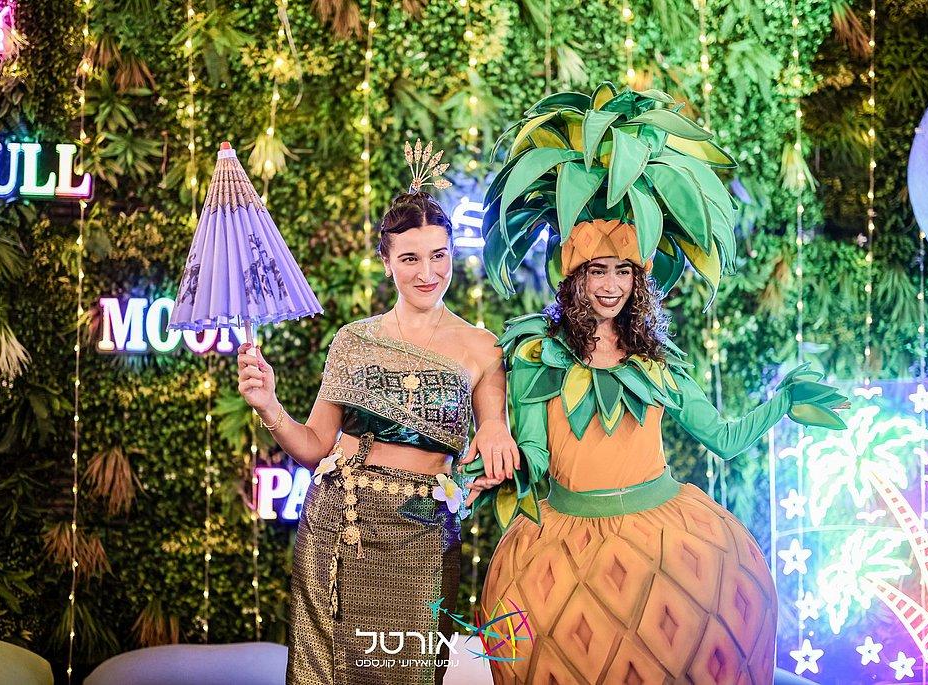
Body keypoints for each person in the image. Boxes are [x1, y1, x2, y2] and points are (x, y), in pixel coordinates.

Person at [465, 84, 847, 682]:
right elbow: (536, 456)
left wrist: (785, 403)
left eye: (623, 271)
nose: (610, 286)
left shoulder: (657, 363)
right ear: (573, 277)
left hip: (666, 542)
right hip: (563, 545)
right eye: (597, 271)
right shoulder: (539, 358)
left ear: (639, 279)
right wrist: (502, 468)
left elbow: (723, 438)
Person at [237, 140, 517, 685]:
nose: (427, 273)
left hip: (422, 535)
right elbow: (314, 446)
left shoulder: (482, 349)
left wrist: (495, 436)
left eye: (438, 256)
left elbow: (493, 426)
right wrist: (269, 405)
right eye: (410, 259)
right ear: (387, 263)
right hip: (338, 526)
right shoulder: (354, 341)